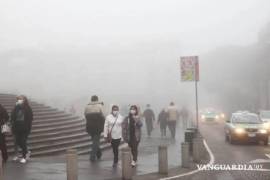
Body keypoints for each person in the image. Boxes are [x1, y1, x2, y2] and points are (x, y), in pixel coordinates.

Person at [11, 95, 33, 163]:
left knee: (23, 142)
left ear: (24, 100)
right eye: (18, 99)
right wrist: (15, 108)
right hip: (17, 128)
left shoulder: (27, 108)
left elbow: (30, 118)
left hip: (24, 128)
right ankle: (27, 151)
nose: (19, 100)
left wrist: (28, 127)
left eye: (21, 99)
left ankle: (24, 157)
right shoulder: (16, 107)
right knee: (18, 141)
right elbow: (13, 116)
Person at [84, 95, 105, 162]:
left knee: (94, 140)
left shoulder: (87, 106)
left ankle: (99, 153)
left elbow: (85, 114)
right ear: (97, 99)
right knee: (95, 141)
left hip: (89, 126)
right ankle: (92, 156)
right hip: (97, 126)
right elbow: (103, 115)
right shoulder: (99, 106)